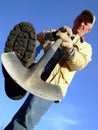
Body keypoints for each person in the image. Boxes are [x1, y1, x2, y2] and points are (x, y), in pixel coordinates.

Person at [2, 9, 95, 130]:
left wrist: (70, 48)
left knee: (25, 119)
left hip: (52, 85)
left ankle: (16, 77)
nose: (82, 23)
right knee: (33, 45)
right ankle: (17, 74)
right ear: (75, 20)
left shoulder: (86, 47)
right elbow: (37, 37)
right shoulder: (58, 31)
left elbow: (80, 63)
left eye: (86, 23)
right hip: (37, 68)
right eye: (80, 19)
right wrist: (53, 34)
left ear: (89, 29)